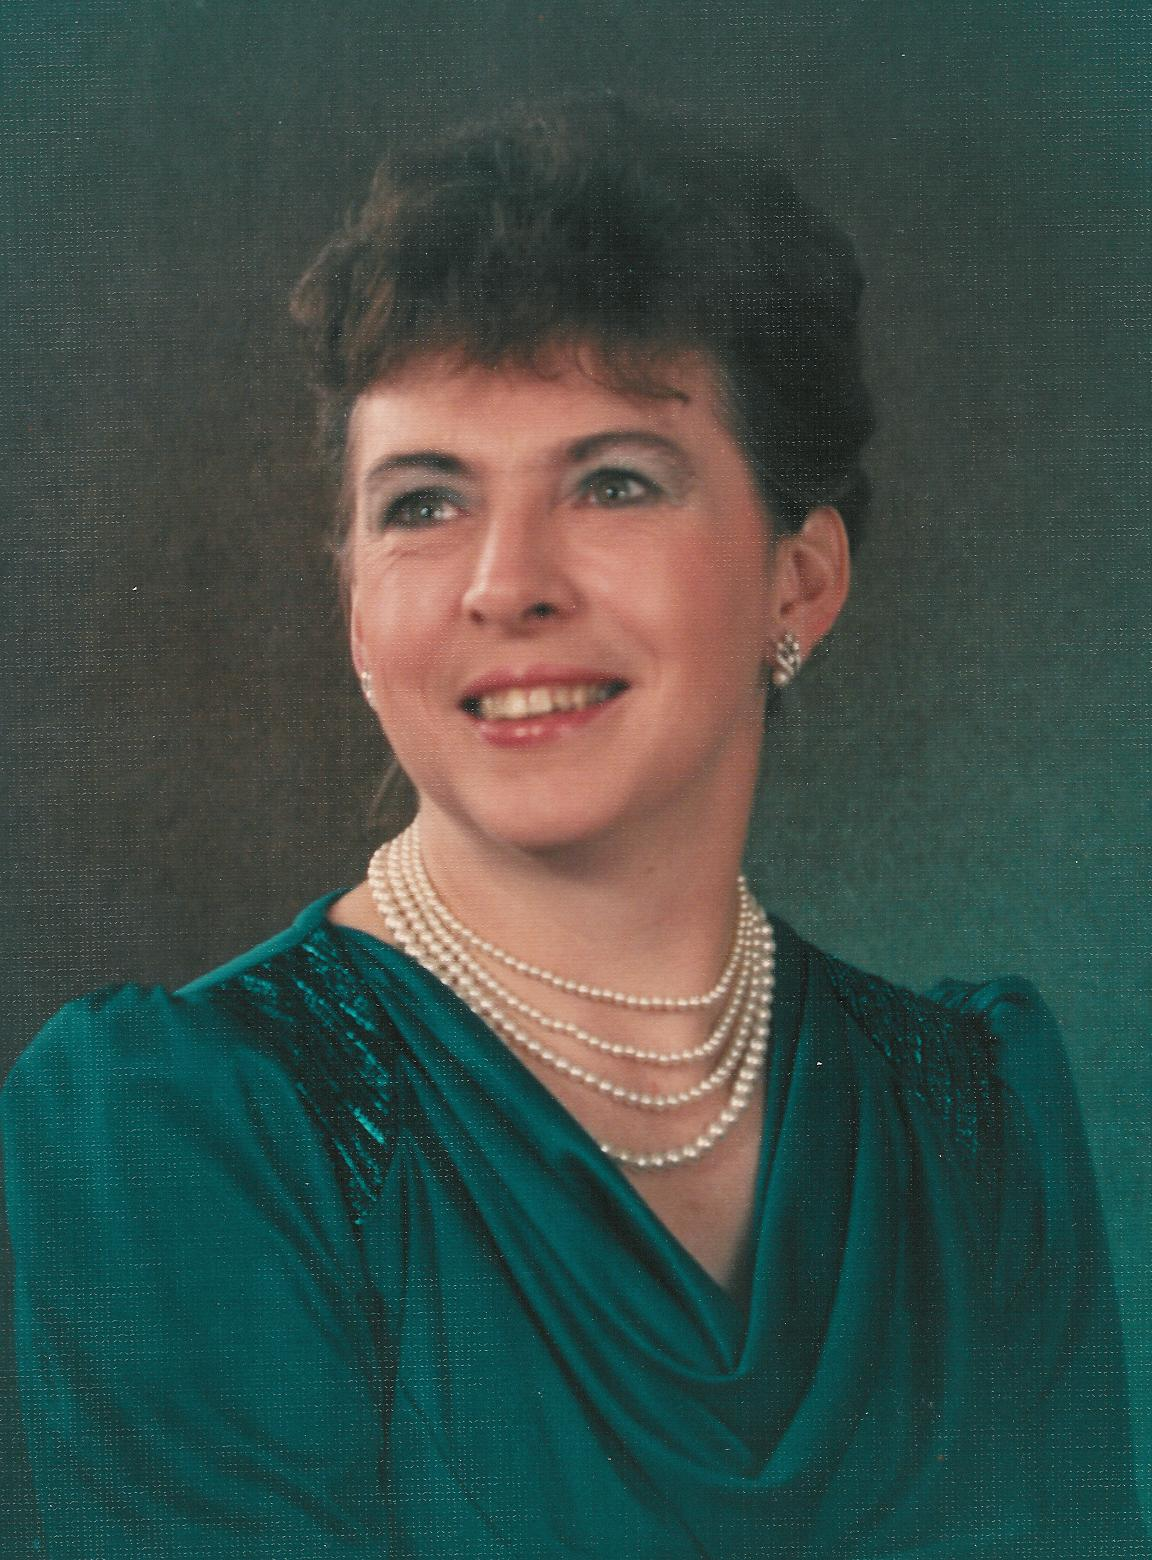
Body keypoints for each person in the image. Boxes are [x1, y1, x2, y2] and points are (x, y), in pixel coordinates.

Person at [2, 96, 1146, 1558]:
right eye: (425, 504)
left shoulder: (972, 1118)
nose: (506, 584)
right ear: (357, 614)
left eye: (613, 482)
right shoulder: (176, 1132)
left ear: (800, 581)